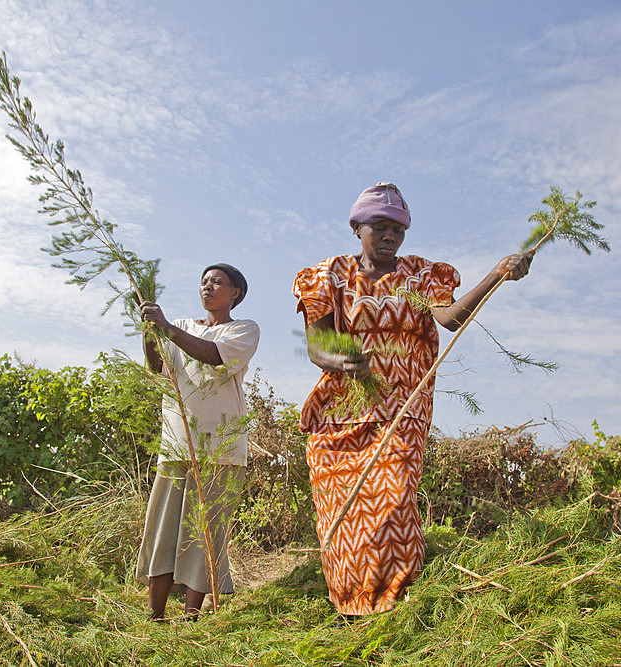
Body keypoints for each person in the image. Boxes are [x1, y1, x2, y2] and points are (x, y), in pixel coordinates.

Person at [293, 182, 531, 616]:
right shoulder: (327, 275)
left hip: (403, 408)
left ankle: (399, 609)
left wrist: (498, 274)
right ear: (356, 227)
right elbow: (316, 346)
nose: (389, 237)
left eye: (398, 230)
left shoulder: (419, 276)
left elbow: (450, 317)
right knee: (344, 518)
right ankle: (351, 611)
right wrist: (345, 361)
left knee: (394, 502)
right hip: (341, 414)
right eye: (379, 227)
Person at [136, 263, 260, 621]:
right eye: (204, 282)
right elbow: (158, 366)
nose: (208, 287)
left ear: (235, 292)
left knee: (204, 534)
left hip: (220, 449)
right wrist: (149, 331)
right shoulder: (184, 327)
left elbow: (213, 355)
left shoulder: (243, 330)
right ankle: (155, 616)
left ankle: (192, 617)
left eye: (217, 282)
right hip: (177, 442)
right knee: (164, 530)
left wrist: (167, 328)